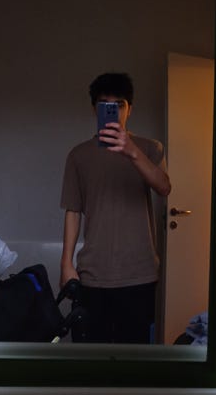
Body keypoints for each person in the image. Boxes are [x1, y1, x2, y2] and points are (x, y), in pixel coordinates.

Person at [59, 72, 171, 343]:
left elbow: (164, 187)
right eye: (104, 105)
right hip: (93, 272)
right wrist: (66, 263)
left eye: (119, 105)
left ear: (129, 109)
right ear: (94, 109)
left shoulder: (150, 148)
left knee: (135, 353)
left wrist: (131, 151)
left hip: (140, 272)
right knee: (91, 352)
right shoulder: (79, 155)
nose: (113, 111)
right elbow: (73, 210)